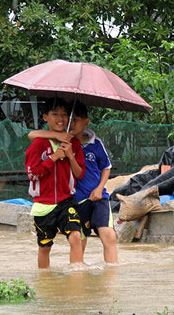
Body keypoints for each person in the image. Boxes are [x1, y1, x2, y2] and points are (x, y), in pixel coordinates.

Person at [28, 102, 117, 264]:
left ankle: (105, 278)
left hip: (85, 198)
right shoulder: (50, 142)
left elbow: (100, 168)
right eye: (69, 119)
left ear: (86, 121)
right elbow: (32, 137)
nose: (69, 122)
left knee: (103, 236)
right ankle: (72, 278)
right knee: (64, 242)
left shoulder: (88, 144)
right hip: (70, 199)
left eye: (73, 119)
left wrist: (99, 187)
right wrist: (56, 154)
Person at [24, 101, 85, 269]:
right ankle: (44, 283)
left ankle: (77, 280)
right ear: (45, 117)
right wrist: (54, 158)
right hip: (43, 204)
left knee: (75, 236)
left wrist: (71, 156)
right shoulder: (37, 144)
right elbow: (32, 174)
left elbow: (79, 174)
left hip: (67, 200)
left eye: (64, 114)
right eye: (55, 114)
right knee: (45, 246)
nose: (61, 119)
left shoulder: (74, 144)